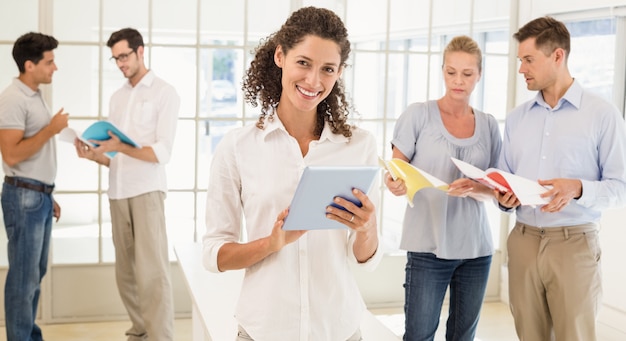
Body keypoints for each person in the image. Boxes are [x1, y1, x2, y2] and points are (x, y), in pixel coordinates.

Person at [202, 6, 382, 341]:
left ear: (340, 72)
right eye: (304, 63)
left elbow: (365, 260)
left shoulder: (359, 145)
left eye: (327, 69)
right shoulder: (238, 147)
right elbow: (215, 254)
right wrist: (270, 244)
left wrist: (368, 228)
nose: (314, 81)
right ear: (280, 56)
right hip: (264, 329)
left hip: (338, 328)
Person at [495, 16, 626, 341]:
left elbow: (620, 187)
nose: (522, 69)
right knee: (530, 335)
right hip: (523, 239)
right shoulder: (516, 119)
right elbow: (503, 179)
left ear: (557, 56)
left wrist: (578, 188)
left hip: (574, 244)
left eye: (529, 60)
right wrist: (503, 197)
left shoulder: (602, 114)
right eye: (520, 60)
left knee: (575, 336)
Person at [384, 35, 501, 341]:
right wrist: (395, 183)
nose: (458, 81)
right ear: (442, 70)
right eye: (451, 72)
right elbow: (398, 170)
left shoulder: (489, 125)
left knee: (463, 337)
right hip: (427, 247)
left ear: (479, 74)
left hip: (476, 250)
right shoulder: (418, 114)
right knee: (419, 335)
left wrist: (476, 187)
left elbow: (498, 189)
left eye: (467, 74)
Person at [73, 28, 180, 341]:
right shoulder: (117, 97)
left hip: (147, 191)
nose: (120, 63)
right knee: (127, 275)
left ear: (140, 51)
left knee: (153, 274)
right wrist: (95, 155)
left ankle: (161, 337)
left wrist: (119, 147)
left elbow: (162, 152)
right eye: (115, 58)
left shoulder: (164, 92)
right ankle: (140, 332)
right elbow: (116, 156)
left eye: (124, 56)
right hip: (117, 191)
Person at [0, 32, 68, 341]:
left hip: (37, 195)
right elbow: (12, 153)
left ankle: (28, 335)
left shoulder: (34, 94)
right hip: (24, 196)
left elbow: (34, 152)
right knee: (23, 279)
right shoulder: (13, 99)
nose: (55, 67)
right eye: (49, 62)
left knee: (34, 275)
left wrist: (47, 193)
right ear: (30, 65)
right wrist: (51, 129)